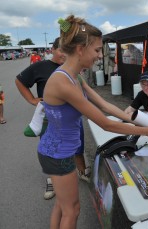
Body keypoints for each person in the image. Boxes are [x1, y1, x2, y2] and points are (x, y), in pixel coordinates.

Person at [38, 15, 148, 228]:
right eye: (97, 50)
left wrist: (138, 121)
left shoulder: (74, 76)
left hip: (60, 150)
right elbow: (105, 123)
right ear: (80, 49)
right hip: (57, 153)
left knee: (61, 205)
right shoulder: (63, 82)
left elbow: (106, 106)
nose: (99, 56)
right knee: (72, 210)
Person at [15, 37, 90, 201]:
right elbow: (19, 81)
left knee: (78, 145)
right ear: (53, 50)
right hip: (51, 121)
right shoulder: (41, 67)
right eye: (61, 50)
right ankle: (52, 181)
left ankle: (82, 172)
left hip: (73, 117)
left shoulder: (72, 68)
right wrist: (31, 99)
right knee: (53, 151)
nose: (64, 54)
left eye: (67, 50)